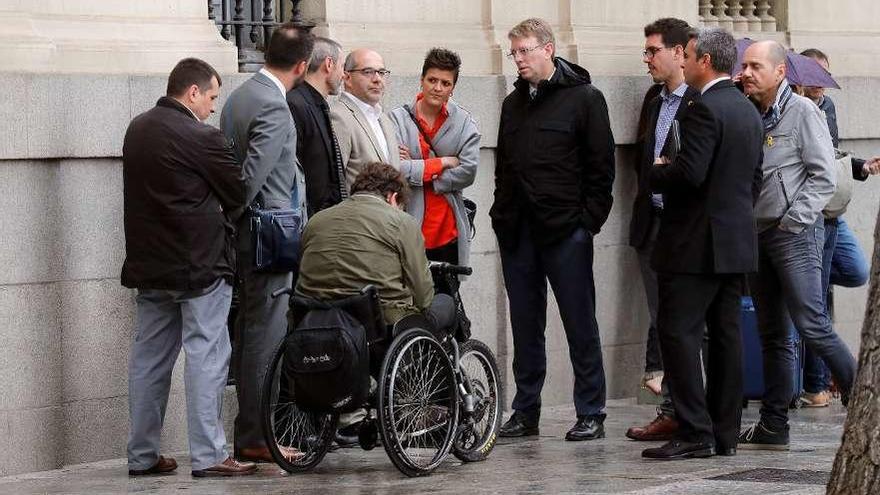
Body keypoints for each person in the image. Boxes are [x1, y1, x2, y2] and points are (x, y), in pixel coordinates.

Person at [122, 58, 255, 477]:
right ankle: (210, 456)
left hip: (151, 267)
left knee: (149, 361)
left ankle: (142, 455)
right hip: (200, 266)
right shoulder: (203, 137)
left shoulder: (137, 128)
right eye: (212, 97)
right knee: (207, 356)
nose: (213, 107)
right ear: (193, 92)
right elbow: (238, 193)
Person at [640, 28, 763, 460]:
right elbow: (754, 181)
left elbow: (690, 174)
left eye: (688, 55)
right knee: (727, 338)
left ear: (705, 60)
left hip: (694, 246)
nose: (684, 61)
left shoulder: (703, 108)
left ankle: (695, 431)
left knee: (678, 334)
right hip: (733, 243)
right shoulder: (748, 109)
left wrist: (658, 169)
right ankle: (726, 432)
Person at [490, 18, 616, 442]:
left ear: (548, 49)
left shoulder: (585, 99)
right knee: (526, 326)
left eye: (525, 51)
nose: (519, 60)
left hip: (566, 232)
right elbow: (504, 166)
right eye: (514, 53)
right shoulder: (513, 104)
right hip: (518, 232)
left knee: (580, 322)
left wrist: (587, 224)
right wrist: (500, 213)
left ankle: (591, 411)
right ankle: (526, 411)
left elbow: (602, 171)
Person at [737, 40, 857, 450]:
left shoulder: (802, 111)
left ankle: (865, 410)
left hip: (793, 235)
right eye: (745, 66)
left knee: (812, 325)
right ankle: (773, 425)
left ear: (780, 72)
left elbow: (823, 175)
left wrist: (794, 220)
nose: (748, 72)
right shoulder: (750, 112)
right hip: (756, 235)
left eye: (756, 66)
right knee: (772, 333)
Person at [220, 23, 314, 463]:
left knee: (250, 331)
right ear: (303, 65)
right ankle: (257, 437)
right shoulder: (274, 106)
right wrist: (237, 216)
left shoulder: (240, 95)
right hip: (269, 236)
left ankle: (250, 432)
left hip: (250, 236)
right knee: (265, 335)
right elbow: (251, 178)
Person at [625, 17, 699, 443]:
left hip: (687, 229)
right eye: (646, 51)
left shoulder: (701, 101)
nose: (648, 58)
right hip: (652, 225)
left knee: (691, 325)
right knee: (665, 322)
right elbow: (643, 162)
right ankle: (671, 409)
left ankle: (693, 411)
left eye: (654, 50)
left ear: (679, 51)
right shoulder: (654, 100)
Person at [796, 48, 880, 407]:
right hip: (810, 214)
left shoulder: (825, 106)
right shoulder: (795, 107)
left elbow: (831, 155)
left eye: (825, 78)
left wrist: (860, 166)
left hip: (832, 211)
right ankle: (816, 384)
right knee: (815, 305)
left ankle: (821, 378)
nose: (822, 87)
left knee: (853, 272)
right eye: (815, 79)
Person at [296, 162, 456, 336]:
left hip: (312, 319)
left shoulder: (315, 221)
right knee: (445, 303)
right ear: (392, 197)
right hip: (378, 325)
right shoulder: (401, 222)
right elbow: (423, 295)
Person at [389, 47, 481, 267]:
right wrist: (443, 162)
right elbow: (395, 169)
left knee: (446, 300)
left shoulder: (465, 123)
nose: (438, 88)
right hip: (409, 224)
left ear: (453, 88)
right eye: (432, 80)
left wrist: (418, 167)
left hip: (449, 229)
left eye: (445, 83)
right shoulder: (397, 119)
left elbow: (468, 172)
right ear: (421, 80)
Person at [287, 36, 348, 217]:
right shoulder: (295, 103)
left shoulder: (317, 104)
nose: (344, 75)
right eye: (342, 66)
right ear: (329, 64)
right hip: (310, 221)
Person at [331, 48, 400, 185]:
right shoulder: (339, 117)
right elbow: (334, 183)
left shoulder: (384, 119)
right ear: (347, 78)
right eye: (368, 72)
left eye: (381, 72)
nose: (377, 79)